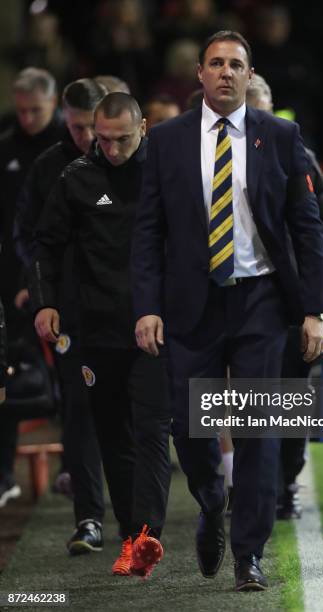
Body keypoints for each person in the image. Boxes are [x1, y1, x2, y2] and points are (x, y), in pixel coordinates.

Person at [131, 31, 323, 592]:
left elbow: (307, 230)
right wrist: (146, 307)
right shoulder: (165, 140)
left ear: (249, 74)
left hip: (261, 302)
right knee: (190, 429)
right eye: (215, 63)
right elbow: (147, 231)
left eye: (235, 65)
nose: (224, 72)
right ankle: (211, 499)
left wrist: (314, 310)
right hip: (189, 303)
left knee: (258, 429)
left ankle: (249, 553)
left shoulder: (281, 136)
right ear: (198, 73)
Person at [29, 93, 170, 578]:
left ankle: (149, 533)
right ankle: (134, 539)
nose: (109, 149)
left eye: (121, 140)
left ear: (144, 128)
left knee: (152, 430)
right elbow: (45, 244)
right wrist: (46, 300)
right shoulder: (76, 179)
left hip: (153, 326)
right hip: (98, 329)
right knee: (115, 437)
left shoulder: (164, 173)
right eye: (101, 139)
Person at [246, 73, 323, 520]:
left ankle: (284, 482)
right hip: (238, 296)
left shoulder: (299, 158)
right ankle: (252, 480)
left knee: (291, 396)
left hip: (292, 298)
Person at [15, 78, 108, 554]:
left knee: (136, 416)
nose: (86, 137)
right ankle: (89, 517)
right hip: (72, 312)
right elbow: (30, 238)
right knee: (79, 409)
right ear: (64, 119)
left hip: (125, 311)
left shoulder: (131, 164)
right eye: (76, 127)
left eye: (92, 126)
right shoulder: (48, 168)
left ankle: (139, 518)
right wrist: (40, 293)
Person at [0, 67, 64, 507]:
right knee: (5, 379)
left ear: (54, 103)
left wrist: (40, 285)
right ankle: (4, 474)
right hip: (12, 281)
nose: (26, 118)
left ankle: (77, 471)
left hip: (61, 281)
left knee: (73, 380)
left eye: (35, 110)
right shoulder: (5, 148)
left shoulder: (70, 146)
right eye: (21, 110)